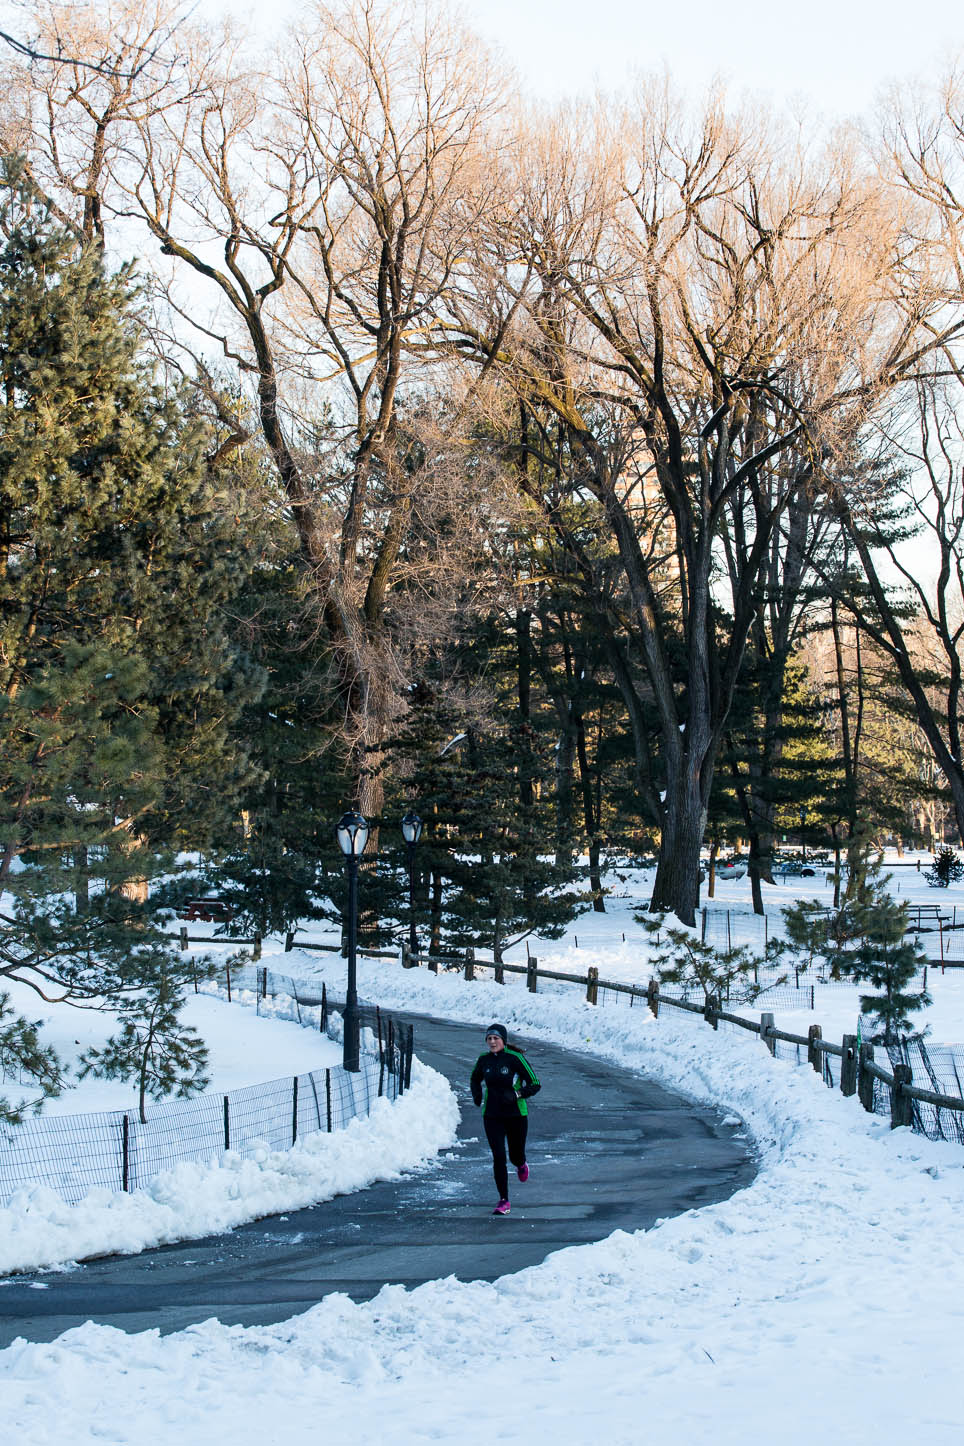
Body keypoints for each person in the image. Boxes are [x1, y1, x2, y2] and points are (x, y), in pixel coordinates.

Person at [470, 1023, 540, 1216]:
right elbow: (475, 1078)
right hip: (491, 1115)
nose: (492, 1042)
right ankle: (503, 1200)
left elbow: (535, 1083)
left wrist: (517, 1095)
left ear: (503, 1040)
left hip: (516, 1115)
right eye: (489, 1039)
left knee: (515, 1155)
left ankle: (521, 1163)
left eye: (496, 1038)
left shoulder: (515, 1058)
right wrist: (477, 1095)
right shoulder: (483, 1060)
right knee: (498, 1157)